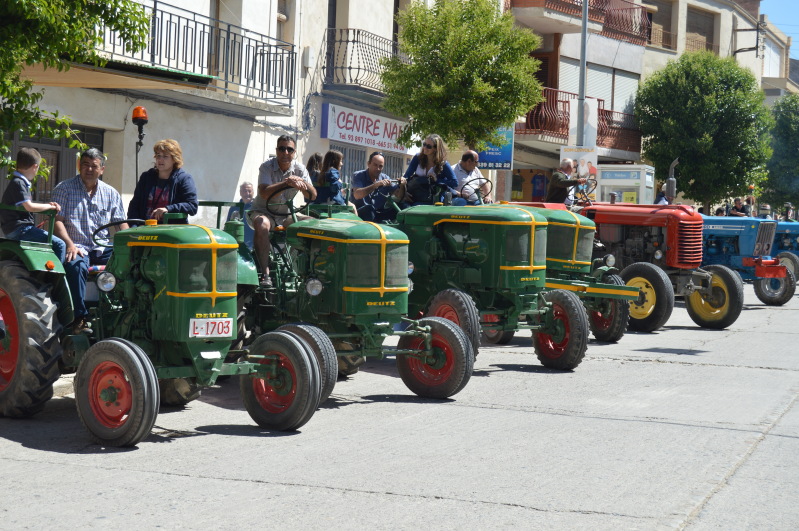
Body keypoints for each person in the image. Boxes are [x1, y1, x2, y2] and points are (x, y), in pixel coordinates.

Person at [52, 148, 129, 334]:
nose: (88, 169)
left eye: (93, 166)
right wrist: (69, 244)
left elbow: (121, 225)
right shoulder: (64, 188)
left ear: (102, 169)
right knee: (76, 265)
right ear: (79, 166)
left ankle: (123, 313)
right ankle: (79, 318)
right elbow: (57, 222)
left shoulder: (111, 193)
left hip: (102, 248)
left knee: (130, 264)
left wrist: (129, 248)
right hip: (76, 246)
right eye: (85, 165)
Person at [249, 135, 317, 285]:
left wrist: (303, 183)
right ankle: (265, 274)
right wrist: (287, 183)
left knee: (313, 224)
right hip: (263, 212)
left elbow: (312, 196)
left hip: (286, 214)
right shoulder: (266, 167)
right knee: (261, 224)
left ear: (294, 152)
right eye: (282, 148)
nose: (285, 152)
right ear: (277, 150)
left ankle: (307, 271)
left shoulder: (300, 169)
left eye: (289, 149)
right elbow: (265, 193)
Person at [0, 148, 66, 262]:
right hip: (20, 230)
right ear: (35, 166)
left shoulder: (18, 181)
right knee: (60, 245)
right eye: (38, 168)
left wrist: (48, 206)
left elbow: (27, 206)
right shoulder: (19, 183)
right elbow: (30, 207)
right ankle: (53, 278)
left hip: (16, 229)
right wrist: (51, 207)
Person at [128, 139, 198, 224]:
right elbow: (135, 204)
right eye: (158, 155)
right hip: (145, 229)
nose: (160, 159)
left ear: (174, 159)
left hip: (171, 231)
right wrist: (134, 226)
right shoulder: (146, 177)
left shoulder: (184, 179)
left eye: (165, 156)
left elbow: (192, 206)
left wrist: (168, 209)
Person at [402, 134, 458, 205]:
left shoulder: (443, 164)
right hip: (415, 195)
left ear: (436, 149)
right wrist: (404, 192)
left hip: (434, 199)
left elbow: (454, 182)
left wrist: (436, 180)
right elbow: (407, 176)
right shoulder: (417, 158)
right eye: (424, 144)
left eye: (429, 146)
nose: (425, 147)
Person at [351, 152, 406, 223]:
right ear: (368, 164)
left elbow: (399, 196)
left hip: (378, 213)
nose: (378, 168)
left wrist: (402, 185)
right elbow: (357, 195)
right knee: (369, 209)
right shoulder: (358, 175)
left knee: (403, 207)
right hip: (359, 213)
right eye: (375, 165)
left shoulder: (385, 177)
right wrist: (376, 185)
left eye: (380, 166)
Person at [226, 182, 255, 249]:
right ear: (240, 193)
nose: (247, 193)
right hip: (237, 245)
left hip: (253, 245)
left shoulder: (257, 207)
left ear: (253, 192)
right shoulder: (234, 208)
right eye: (245, 191)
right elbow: (228, 225)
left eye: (249, 191)